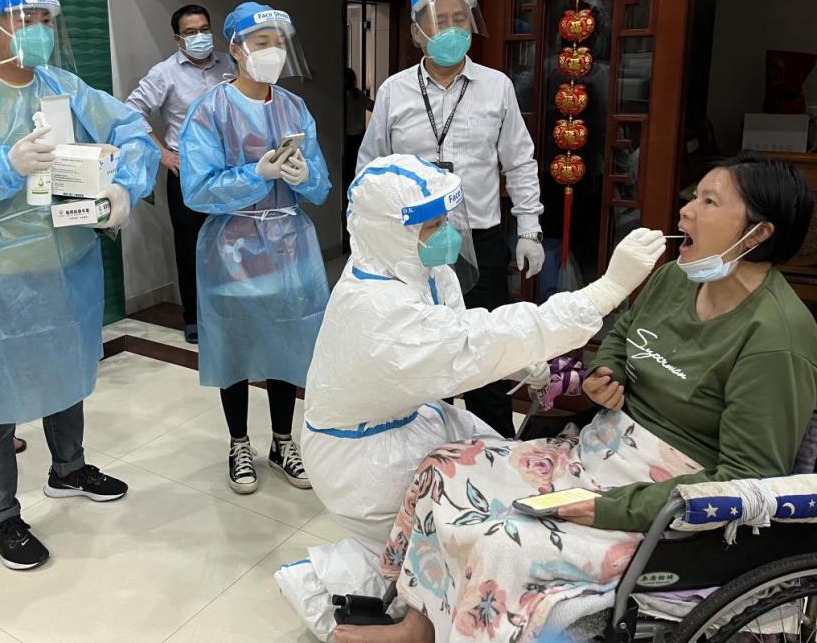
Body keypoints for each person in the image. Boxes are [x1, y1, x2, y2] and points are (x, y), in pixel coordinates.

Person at [342, 152, 817, 643]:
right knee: (442, 466)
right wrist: (604, 372)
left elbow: (745, 479)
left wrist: (609, 508)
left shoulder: (776, 338)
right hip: (595, 450)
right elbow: (623, 334)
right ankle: (418, 624)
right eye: (694, 196)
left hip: (662, 501)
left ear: (758, 233)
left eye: (709, 202)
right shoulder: (676, 277)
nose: (686, 211)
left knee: (502, 541)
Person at [279, 155, 666, 640]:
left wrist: (525, 364)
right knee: (454, 531)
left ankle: (423, 602)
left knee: (501, 468)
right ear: (389, 232)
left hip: (415, 418)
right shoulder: (375, 308)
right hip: (365, 456)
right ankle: (361, 596)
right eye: (432, 226)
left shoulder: (416, 266)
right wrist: (606, 291)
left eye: (445, 221)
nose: (445, 235)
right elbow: (467, 344)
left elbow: (466, 335)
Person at [0, 0, 158, 570]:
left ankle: (68, 469)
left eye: (46, 20)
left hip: (66, 264)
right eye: (26, 20)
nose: (39, 32)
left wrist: (124, 187)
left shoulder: (63, 88)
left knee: (65, 369)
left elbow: (131, 129)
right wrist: (5, 164)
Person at [357, 0, 546, 437]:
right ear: (417, 31)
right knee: (423, 354)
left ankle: (493, 450)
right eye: (440, 21)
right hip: (414, 245)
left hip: (481, 237)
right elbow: (371, 168)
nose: (452, 29)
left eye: (460, 19)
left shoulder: (496, 86)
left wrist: (529, 228)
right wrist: (370, 238)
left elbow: (520, 161)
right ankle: (426, 448)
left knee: (485, 354)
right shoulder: (394, 90)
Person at [179, 2, 331, 496]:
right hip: (232, 248)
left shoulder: (293, 107)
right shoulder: (210, 110)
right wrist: (255, 174)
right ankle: (239, 442)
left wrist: (304, 177)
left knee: (288, 343)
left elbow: (321, 184)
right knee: (235, 347)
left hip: (289, 245)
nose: (273, 51)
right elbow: (197, 190)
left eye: (279, 42)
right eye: (262, 42)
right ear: (236, 49)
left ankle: (283, 441)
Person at [124, 4, 236, 343]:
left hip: (230, 171)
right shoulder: (165, 73)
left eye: (204, 29)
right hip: (188, 172)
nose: (199, 36)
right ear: (177, 38)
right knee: (191, 247)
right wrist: (163, 154)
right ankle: (195, 319)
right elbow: (130, 112)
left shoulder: (230, 64)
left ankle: (230, 312)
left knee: (232, 243)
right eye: (190, 32)